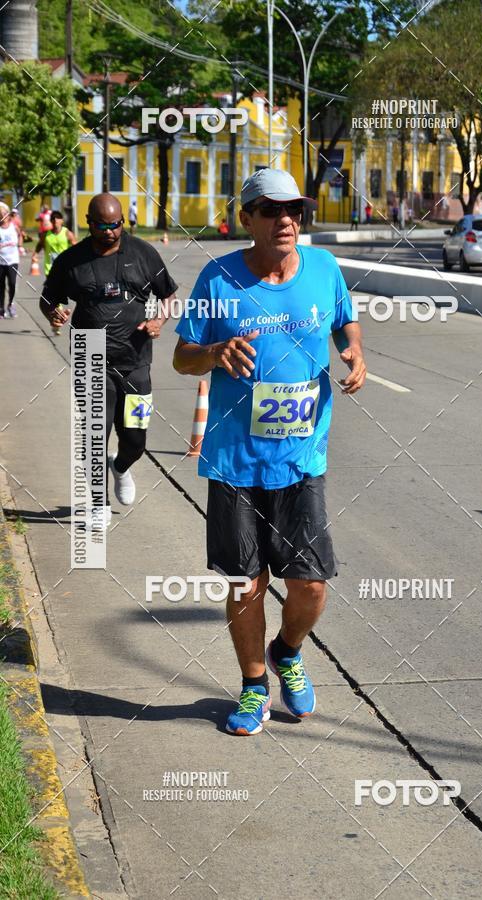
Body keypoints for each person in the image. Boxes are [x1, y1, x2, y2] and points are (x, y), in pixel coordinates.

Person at [173, 168, 366, 736]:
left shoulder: (324, 269)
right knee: (245, 582)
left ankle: (287, 650)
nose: (287, 219)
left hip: (301, 458)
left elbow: (344, 323)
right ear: (247, 218)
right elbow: (183, 357)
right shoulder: (218, 279)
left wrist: (354, 353)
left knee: (310, 586)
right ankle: (255, 685)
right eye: (273, 209)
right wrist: (214, 353)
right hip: (235, 461)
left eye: (296, 211)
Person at [39, 193, 178, 528]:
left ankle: (120, 467)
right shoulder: (71, 260)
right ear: (89, 223)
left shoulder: (143, 253)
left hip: (136, 361)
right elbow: (48, 298)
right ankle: (97, 502)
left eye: (116, 225)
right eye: (103, 225)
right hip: (90, 357)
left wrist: (159, 320)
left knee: (136, 439)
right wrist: (53, 314)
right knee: (93, 436)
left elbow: (170, 296)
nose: (111, 232)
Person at [0, 201, 21, 318]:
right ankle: (1, 309)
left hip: (12, 260)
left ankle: (10, 304)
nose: (2, 215)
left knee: (12, 283)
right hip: (0, 262)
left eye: (4, 213)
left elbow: (20, 236)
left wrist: (21, 246)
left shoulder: (14, 227)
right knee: (1, 286)